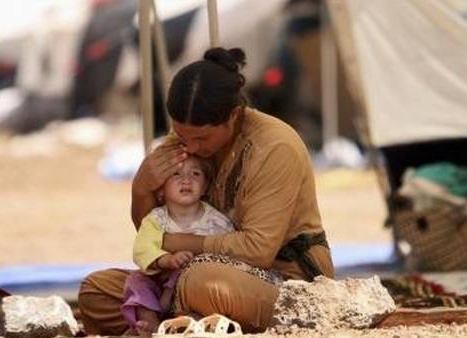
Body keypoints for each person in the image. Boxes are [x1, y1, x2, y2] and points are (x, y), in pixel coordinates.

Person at [78, 47, 334, 335]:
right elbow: (153, 231)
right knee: (95, 290)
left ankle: (174, 323)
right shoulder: (185, 139)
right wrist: (142, 188)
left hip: (285, 281)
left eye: (202, 138)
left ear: (233, 115)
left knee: (200, 282)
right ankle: (183, 323)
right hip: (187, 275)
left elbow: (258, 251)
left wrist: (176, 243)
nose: (192, 147)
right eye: (182, 135)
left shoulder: (275, 147)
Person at [121, 155, 234, 336]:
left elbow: (229, 253)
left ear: (205, 186)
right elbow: (142, 247)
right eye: (176, 174)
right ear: (161, 190)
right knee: (136, 281)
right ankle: (152, 325)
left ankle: (184, 324)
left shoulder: (218, 222)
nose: (186, 180)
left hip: (193, 287)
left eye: (195, 174)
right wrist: (166, 260)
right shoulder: (156, 219)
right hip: (160, 282)